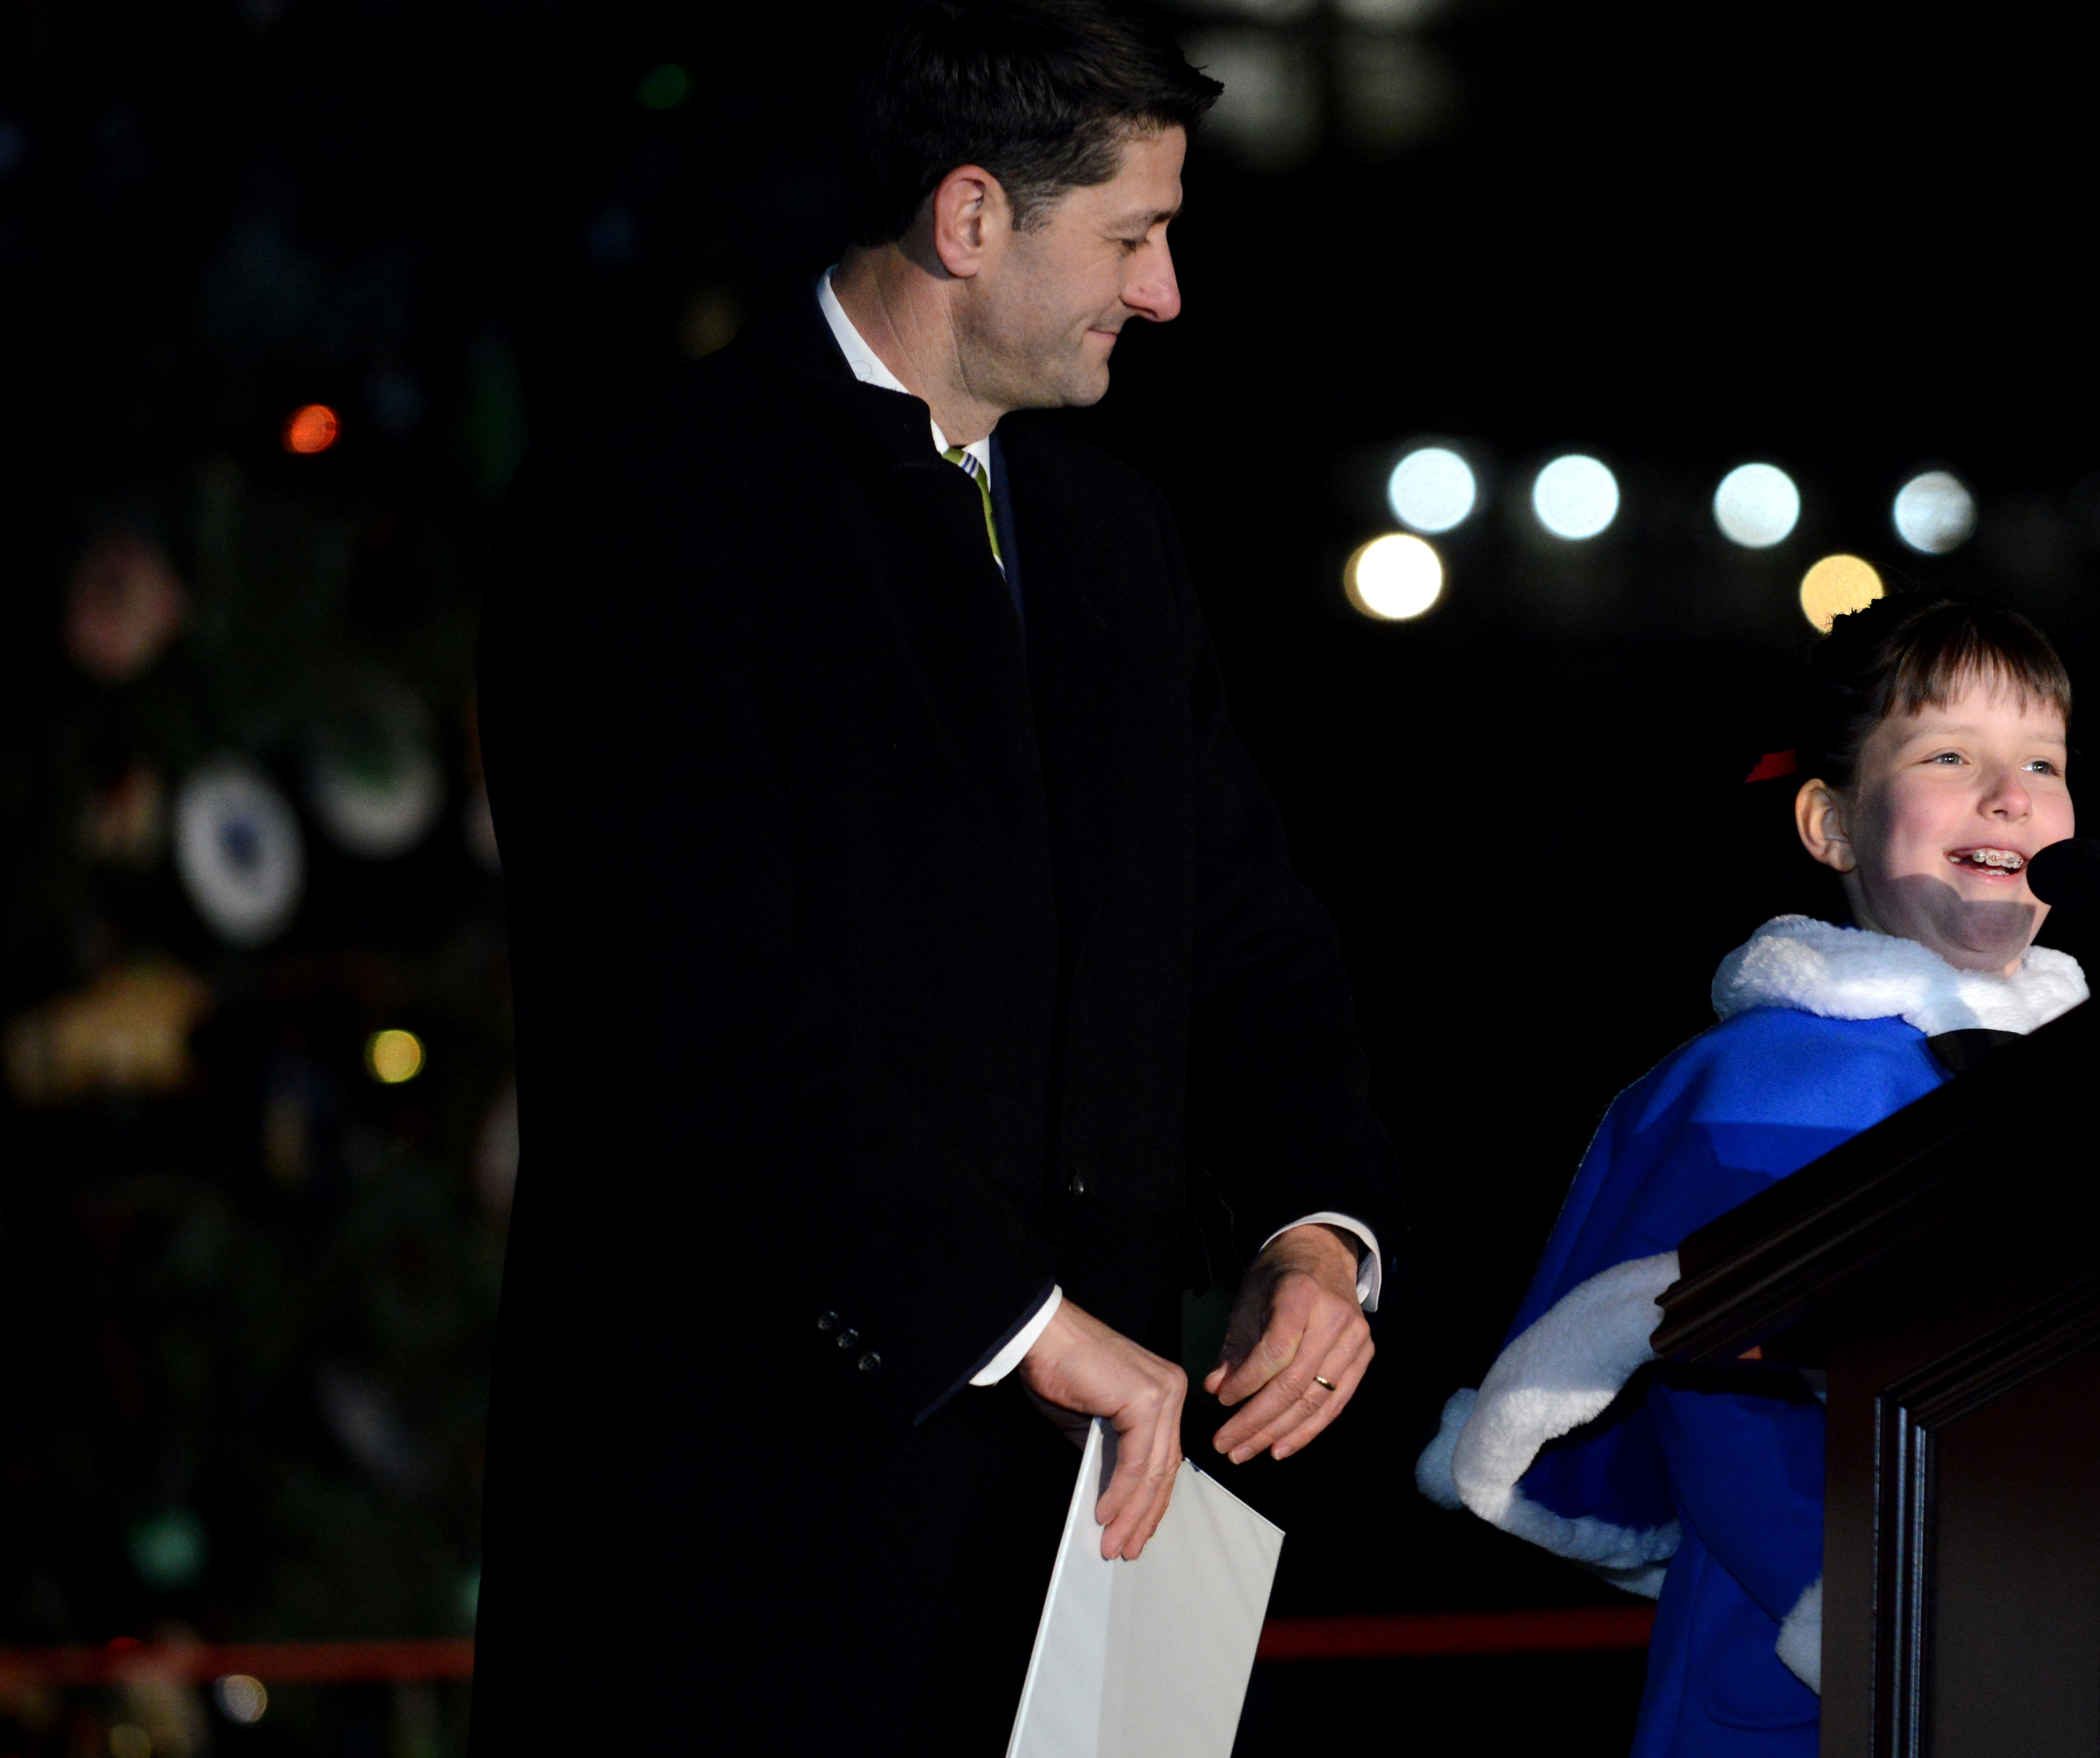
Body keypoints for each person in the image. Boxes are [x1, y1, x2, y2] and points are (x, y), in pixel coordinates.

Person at [469, 3, 1402, 1749]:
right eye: (1133, 234)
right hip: (738, 1546)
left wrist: (1312, 1228)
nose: (1168, 289)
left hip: (1068, 1562)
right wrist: (1026, 1326)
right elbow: (691, 1014)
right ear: (970, 219)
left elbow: (1247, 936)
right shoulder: (645, 507)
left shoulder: (1119, 535)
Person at [1418, 594, 2088, 1756]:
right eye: (1947, 755)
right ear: (1829, 824)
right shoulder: (1771, 1080)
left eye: (2041, 759)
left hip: (2075, 1659)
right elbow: (1719, 1408)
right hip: (1821, 1670)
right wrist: (1878, 1628)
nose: (2009, 793)